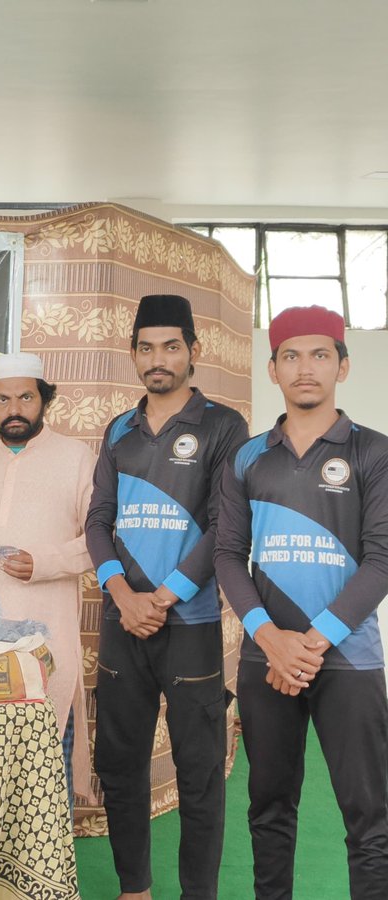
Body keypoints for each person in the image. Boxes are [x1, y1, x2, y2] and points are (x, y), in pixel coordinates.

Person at [215, 305, 388, 899]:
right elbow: (228, 556)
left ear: (342, 364)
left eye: (319, 355)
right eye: (291, 355)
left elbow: (382, 558)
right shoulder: (248, 457)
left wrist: (308, 645)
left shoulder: (374, 452)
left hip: (348, 659)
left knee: (369, 820)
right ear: (272, 369)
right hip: (267, 660)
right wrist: (271, 640)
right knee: (268, 809)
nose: (305, 368)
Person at [85, 294, 248, 900]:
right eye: (146, 348)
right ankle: (135, 889)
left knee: (199, 772)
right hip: (123, 618)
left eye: (171, 347)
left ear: (192, 352)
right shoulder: (119, 430)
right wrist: (123, 593)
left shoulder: (224, 427)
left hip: (191, 623)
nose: (158, 359)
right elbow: (98, 520)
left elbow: (225, 523)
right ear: (133, 354)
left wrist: (166, 596)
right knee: (120, 766)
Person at [0, 351, 95, 808]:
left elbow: (101, 541)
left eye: (25, 397)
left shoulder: (77, 457)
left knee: (47, 771)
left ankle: (50, 875)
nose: (14, 409)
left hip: (46, 638)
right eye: (2, 399)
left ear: (44, 400)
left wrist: (46, 562)